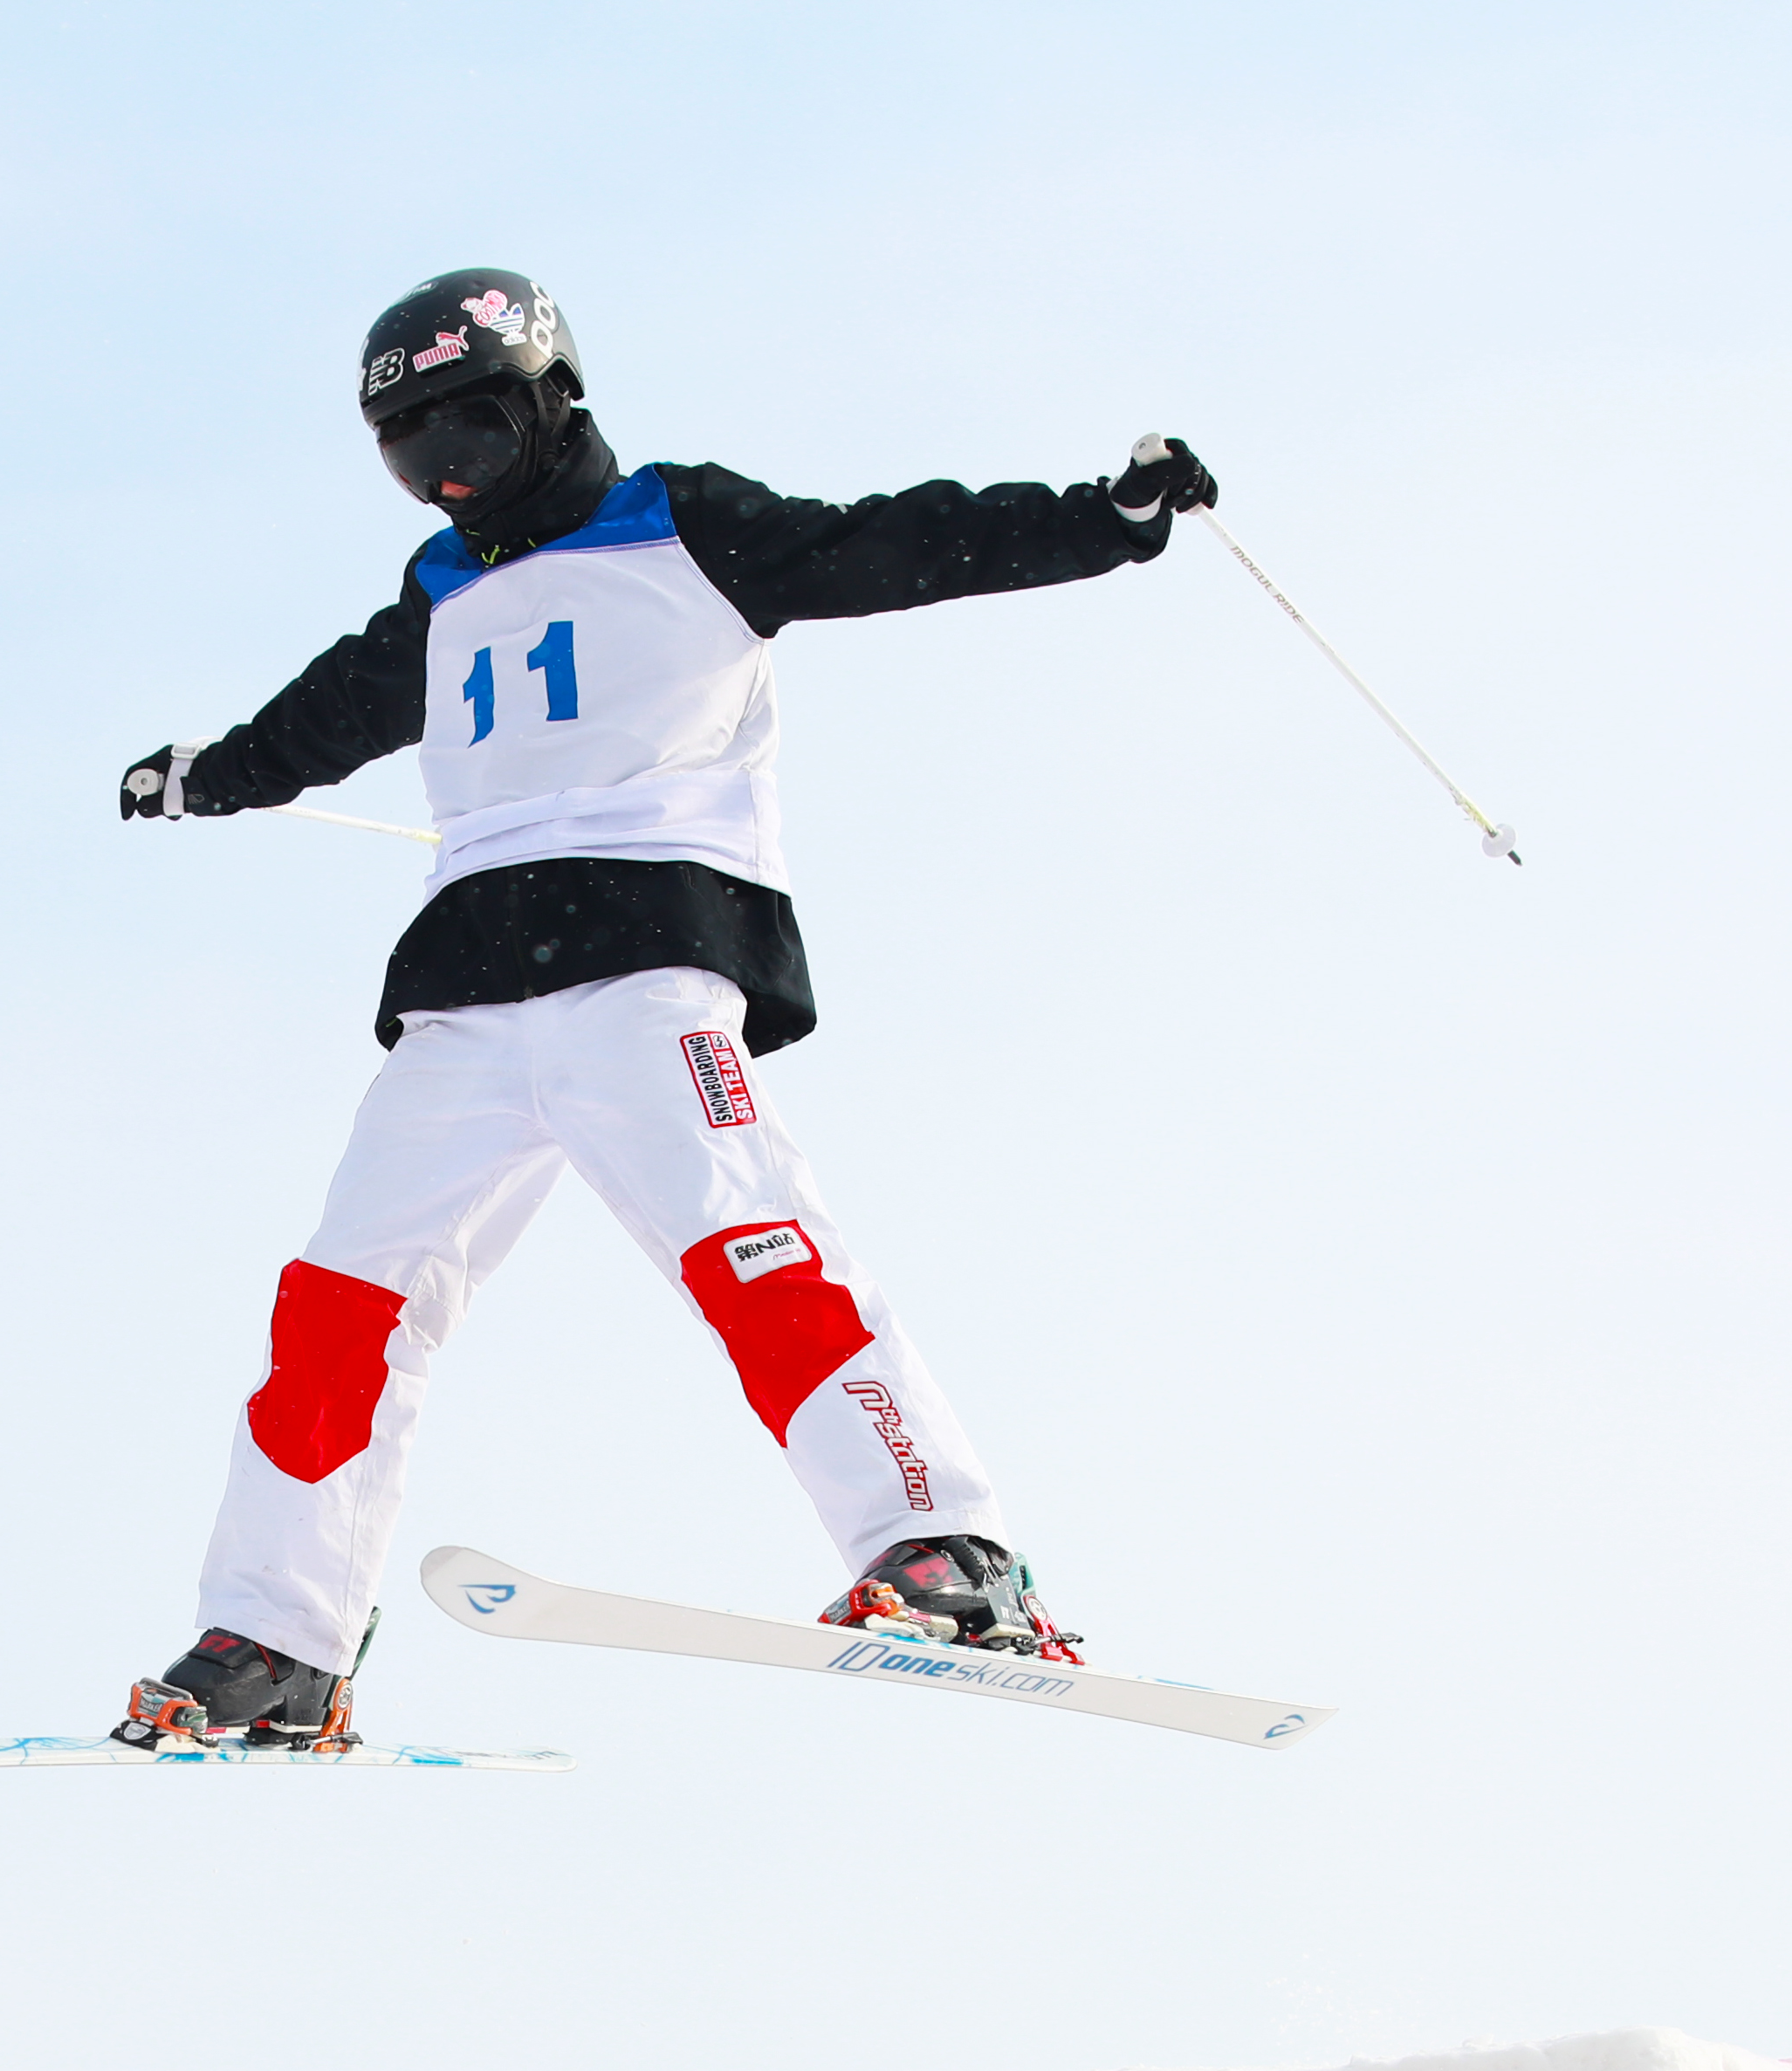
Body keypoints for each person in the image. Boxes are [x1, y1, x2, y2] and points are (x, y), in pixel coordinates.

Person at [106, 267, 1216, 1750]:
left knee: (745, 1241)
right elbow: (320, 717)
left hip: (640, 963)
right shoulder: (439, 593)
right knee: (340, 1307)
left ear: (548, 401)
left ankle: (940, 1545)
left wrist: (1102, 519)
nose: (450, 480)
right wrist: (207, 774)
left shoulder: (679, 524)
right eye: (414, 458)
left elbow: (894, 542)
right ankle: (278, 1636)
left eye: (471, 437)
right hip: (463, 999)